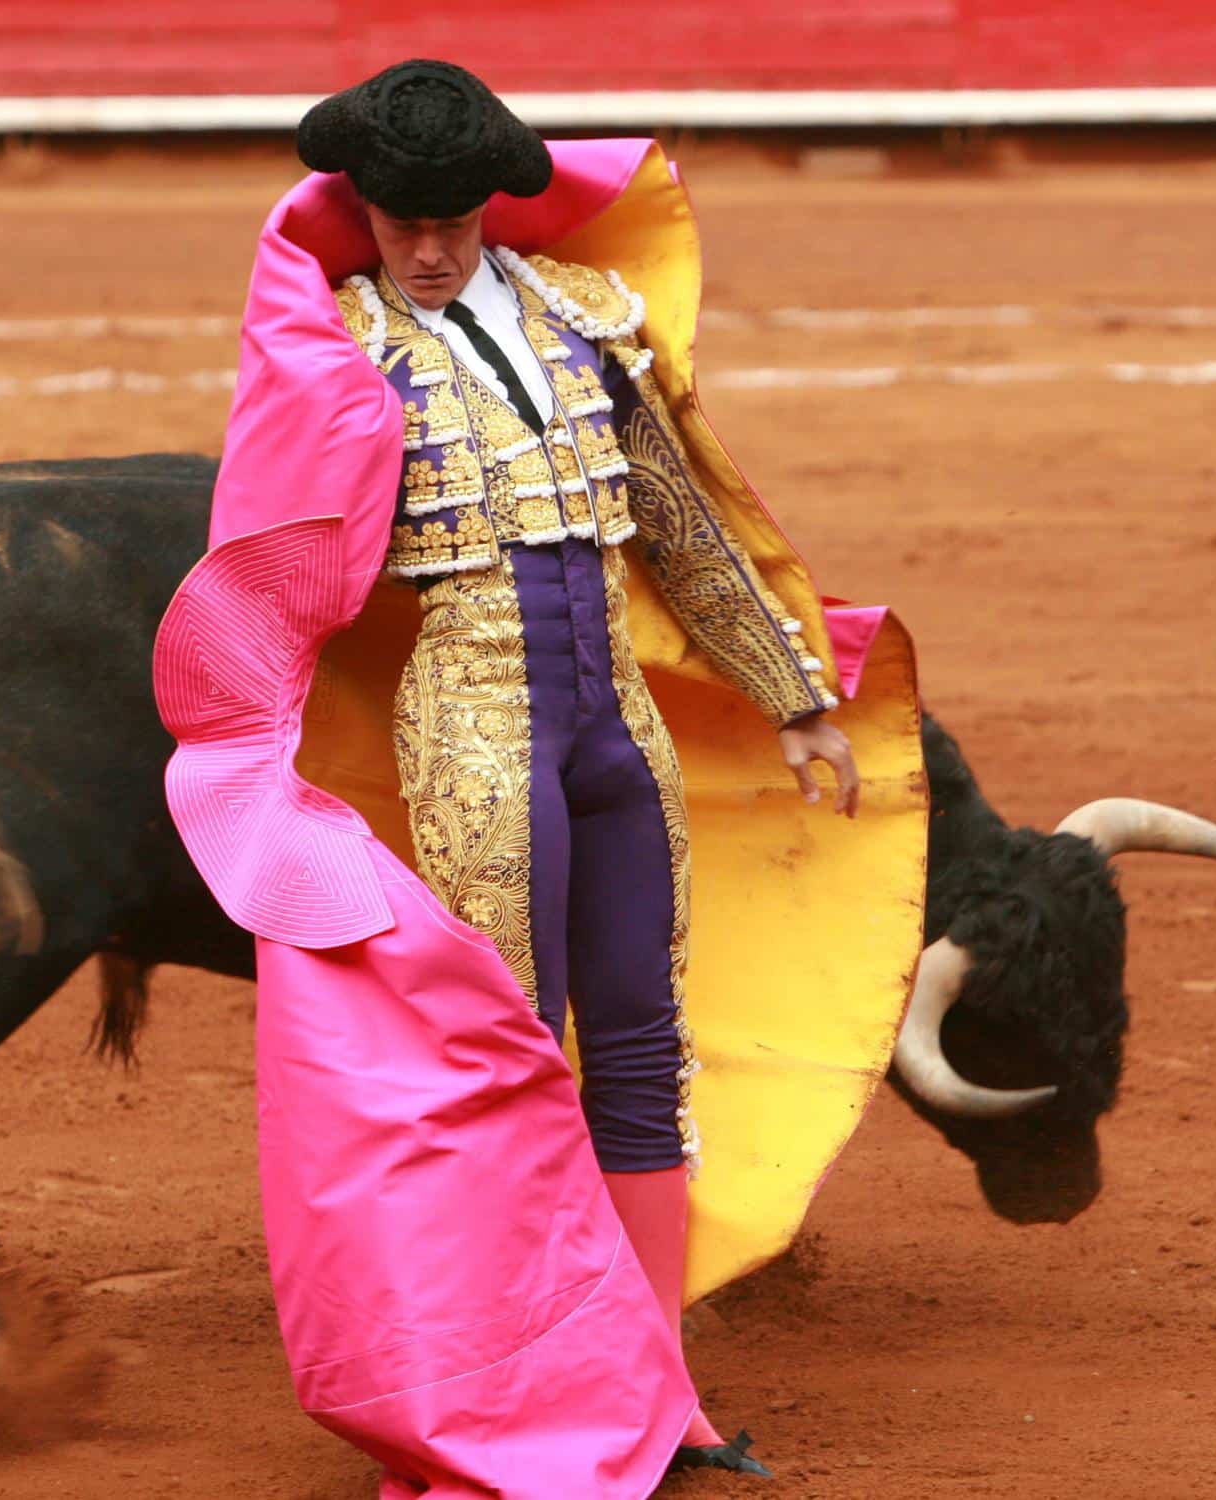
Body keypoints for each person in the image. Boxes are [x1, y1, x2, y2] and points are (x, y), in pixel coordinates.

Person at [153, 56, 925, 1499]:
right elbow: (273, 555)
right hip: (474, 726)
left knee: (639, 1038)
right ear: (364, 212)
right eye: (399, 220)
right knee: (500, 1056)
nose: (430, 248)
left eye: (451, 217)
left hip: (613, 729)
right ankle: (514, 1401)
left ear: (497, 204)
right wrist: (245, 753)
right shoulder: (336, 353)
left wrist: (795, 696)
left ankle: (660, 1389)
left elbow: (678, 521)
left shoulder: (582, 316)